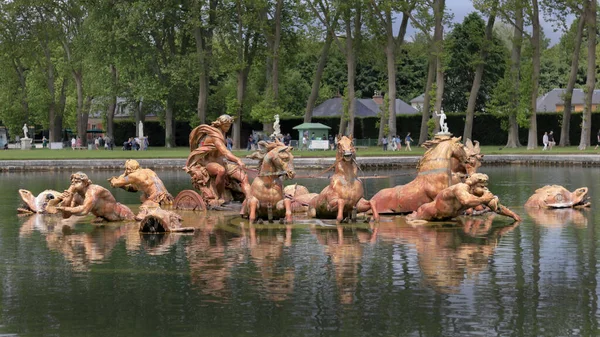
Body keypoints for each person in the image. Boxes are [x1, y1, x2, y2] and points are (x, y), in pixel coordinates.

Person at [185, 114, 250, 207]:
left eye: (229, 126)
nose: (228, 128)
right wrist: (238, 160)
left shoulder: (222, 132)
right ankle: (219, 197)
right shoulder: (215, 135)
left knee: (243, 176)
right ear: (220, 125)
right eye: (226, 126)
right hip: (209, 163)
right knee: (221, 171)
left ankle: (249, 199)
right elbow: (225, 152)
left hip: (222, 162)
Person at [407, 173, 521, 222]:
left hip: (446, 218)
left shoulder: (479, 194)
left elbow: (496, 207)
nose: (484, 189)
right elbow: (465, 201)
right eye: (481, 186)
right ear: (474, 185)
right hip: (428, 213)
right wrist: (484, 199)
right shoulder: (461, 188)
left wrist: (513, 215)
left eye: (484, 187)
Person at [56, 172, 135, 222]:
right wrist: (69, 196)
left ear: (85, 183)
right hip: (104, 218)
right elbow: (66, 216)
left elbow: (84, 211)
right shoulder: (76, 196)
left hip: (122, 215)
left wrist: (63, 208)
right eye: (72, 182)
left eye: (77, 182)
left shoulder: (93, 191)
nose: (73, 184)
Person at [109, 159, 174, 206]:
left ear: (129, 169)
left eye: (127, 168)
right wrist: (122, 186)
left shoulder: (133, 176)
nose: (127, 171)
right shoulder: (148, 170)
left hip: (156, 199)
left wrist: (115, 178)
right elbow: (134, 189)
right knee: (143, 196)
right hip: (167, 197)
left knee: (143, 200)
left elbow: (115, 183)